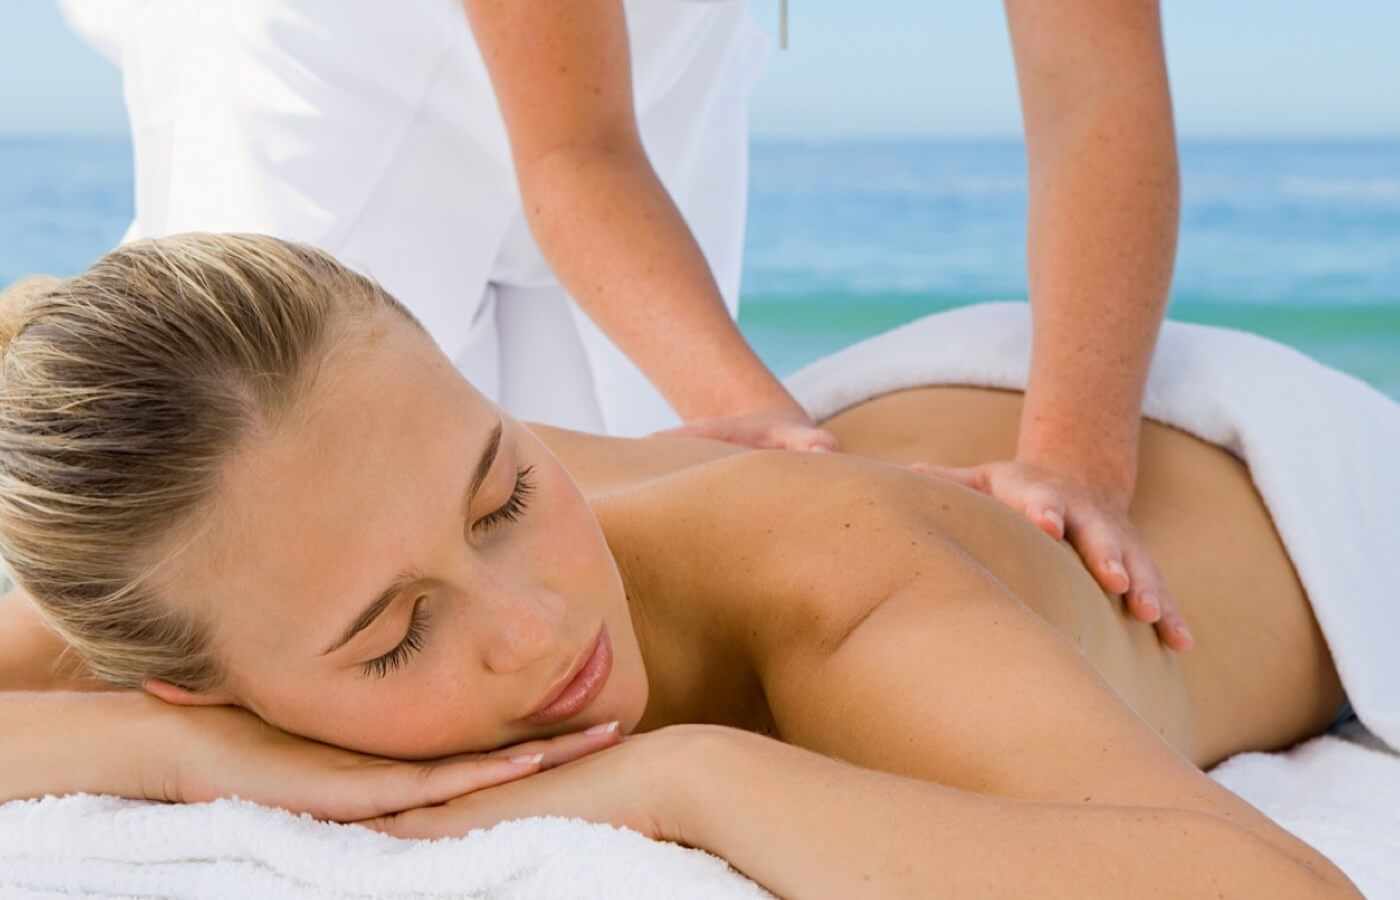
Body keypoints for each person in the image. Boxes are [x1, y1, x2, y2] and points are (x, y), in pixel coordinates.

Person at [0, 237, 1359, 897]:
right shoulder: (263, 548)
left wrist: (694, 778)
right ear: (193, 684)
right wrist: (174, 760)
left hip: (1285, 490)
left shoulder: (818, 579)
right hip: (894, 424)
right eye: (393, 639)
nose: (534, 629)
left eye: (508, 489)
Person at [59, 1, 1189, 644]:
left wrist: (1078, 461)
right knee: (276, 545)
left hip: (650, 51)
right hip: (325, 40)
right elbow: (573, 152)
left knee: (621, 575)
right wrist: (778, 438)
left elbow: (1094, 89)